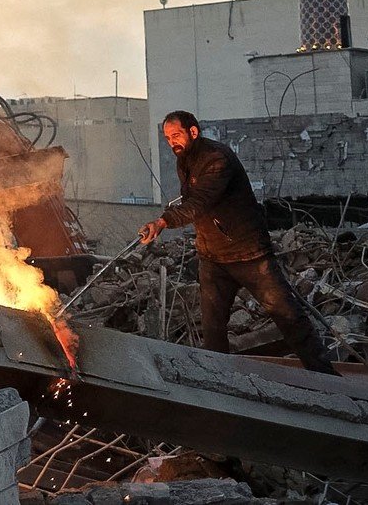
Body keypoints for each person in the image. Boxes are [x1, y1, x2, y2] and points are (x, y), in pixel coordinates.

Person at [138, 110, 335, 373]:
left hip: (249, 255)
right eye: (167, 137)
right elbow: (191, 199)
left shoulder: (218, 159)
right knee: (213, 328)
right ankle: (221, 381)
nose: (172, 141)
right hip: (213, 258)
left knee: (288, 316)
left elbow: (199, 202)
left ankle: (326, 377)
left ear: (193, 132)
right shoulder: (184, 159)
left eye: (176, 135)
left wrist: (163, 222)